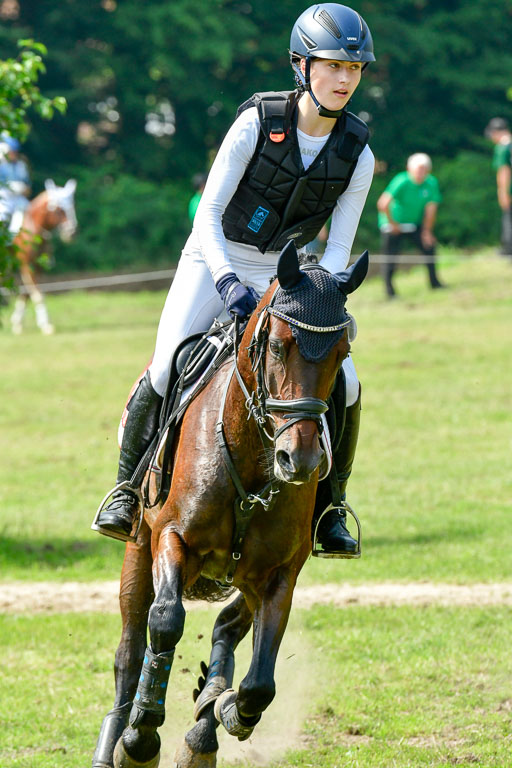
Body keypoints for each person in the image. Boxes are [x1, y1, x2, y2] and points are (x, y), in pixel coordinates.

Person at [95, 3, 376, 558]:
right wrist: (225, 281)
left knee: (348, 384)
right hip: (213, 258)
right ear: (301, 65)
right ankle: (127, 492)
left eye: (355, 69)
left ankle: (330, 507)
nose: (346, 79)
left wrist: (325, 297)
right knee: (167, 361)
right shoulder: (258, 120)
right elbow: (208, 212)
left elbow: (338, 248)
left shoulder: (356, 152)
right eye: (334, 66)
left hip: (287, 274)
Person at [377, 153, 444, 298]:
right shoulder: (401, 181)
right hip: (392, 225)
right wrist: (393, 224)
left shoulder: (431, 183)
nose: (421, 173)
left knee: (429, 248)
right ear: (410, 169)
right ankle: (390, 291)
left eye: (424, 169)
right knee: (390, 257)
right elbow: (383, 204)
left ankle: (435, 283)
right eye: (418, 169)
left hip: (414, 224)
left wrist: (427, 231)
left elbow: (431, 209)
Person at [484, 117, 512, 257]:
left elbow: (504, 170)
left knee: (508, 218)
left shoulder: (502, 147)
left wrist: (503, 192)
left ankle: (508, 249)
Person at [0, 134, 31, 234]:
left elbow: (28, 185)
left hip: (19, 199)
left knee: (27, 214)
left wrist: (23, 188)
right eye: (11, 151)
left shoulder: (22, 166)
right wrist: (10, 187)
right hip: (4, 199)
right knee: (2, 216)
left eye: (15, 151)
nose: (13, 154)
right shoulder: (2, 164)